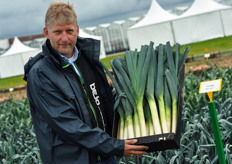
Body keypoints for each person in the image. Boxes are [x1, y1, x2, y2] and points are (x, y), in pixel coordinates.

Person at [24, 1, 148, 164]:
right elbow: (69, 126)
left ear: (77, 29)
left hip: (104, 156)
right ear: (46, 32)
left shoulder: (88, 59)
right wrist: (114, 146)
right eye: (58, 32)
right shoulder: (40, 74)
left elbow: (104, 101)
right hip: (74, 160)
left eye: (69, 31)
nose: (65, 38)